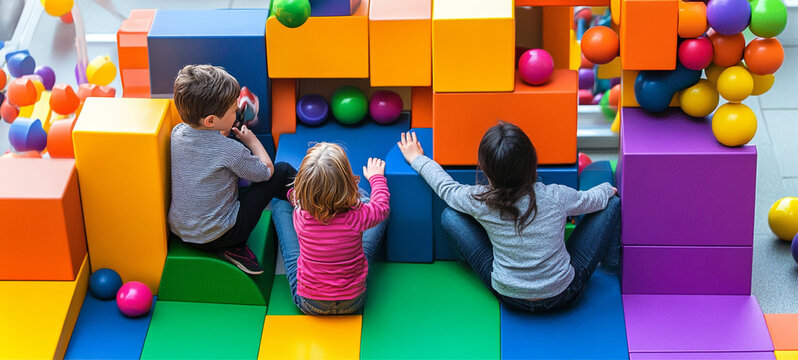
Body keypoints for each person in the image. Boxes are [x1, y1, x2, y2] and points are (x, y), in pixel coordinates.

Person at [398, 122, 620, 312]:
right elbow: (592, 200)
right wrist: (606, 189)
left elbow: (445, 187)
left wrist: (417, 158)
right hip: (562, 293)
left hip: (509, 296)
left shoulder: (479, 200)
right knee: (612, 203)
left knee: (450, 216)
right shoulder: (555, 195)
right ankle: (612, 264)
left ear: (485, 171)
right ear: (533, 162)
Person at [168, 64, 296, 275]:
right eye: (233, 110)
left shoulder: (177, 132)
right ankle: (322, 197)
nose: (237, 111)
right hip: (220, 235)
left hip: (183, 231)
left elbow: (206, 151)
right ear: (210, 121)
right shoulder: (230, 151)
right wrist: (252, 141)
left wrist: (222, 129)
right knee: (281, 171)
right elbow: (266, 171)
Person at [271, 143, 390, 315]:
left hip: (311, 303)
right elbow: (381, 207)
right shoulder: (357, 216)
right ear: (348, 182)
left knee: (279, 204)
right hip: (353, 301)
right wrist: (376, 177)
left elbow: (295, 197)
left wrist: (302, 190)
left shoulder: (301, 215)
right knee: (378, 211)